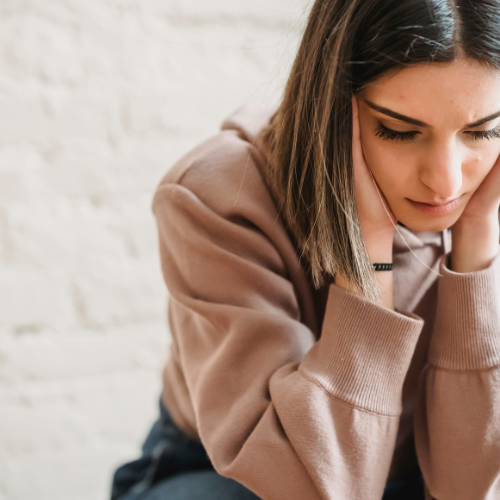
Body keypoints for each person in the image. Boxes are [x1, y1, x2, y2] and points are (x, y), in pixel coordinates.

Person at [109, 0, 500, 499]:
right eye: (400, 131)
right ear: (331, 106)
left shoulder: (487, 187)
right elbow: (313, 488)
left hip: (410, 476)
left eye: (481, 130)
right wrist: (367, 258)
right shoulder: (217, 198)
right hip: (238, 476)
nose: (445, 180)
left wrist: (476, 248)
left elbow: (465, 487)